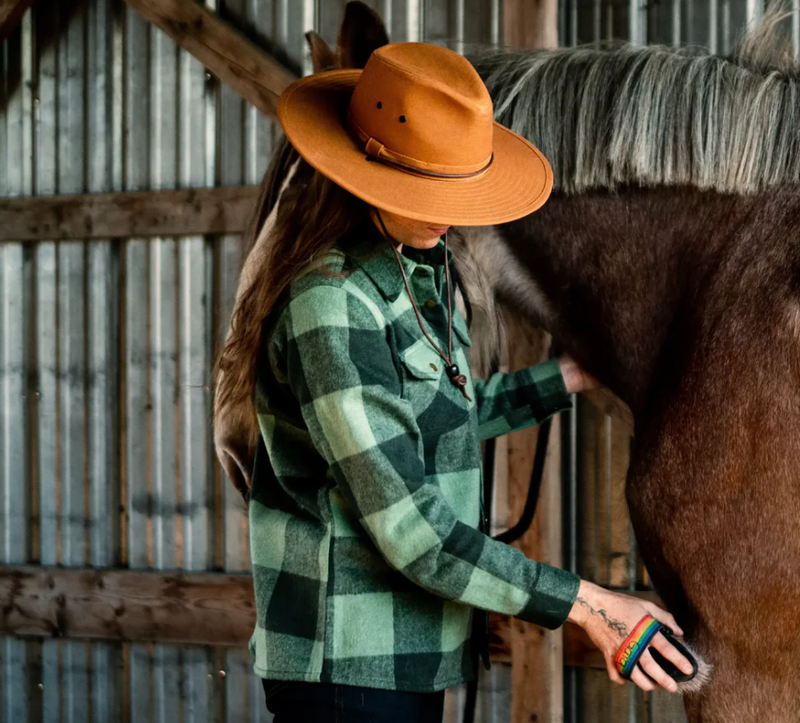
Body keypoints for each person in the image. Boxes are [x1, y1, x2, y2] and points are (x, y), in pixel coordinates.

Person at [215, 41, 694, 722]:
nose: (452, 211)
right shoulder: (331, 305)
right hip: (347, 664)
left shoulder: (421, 274)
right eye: (427, 191)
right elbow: (416, 533)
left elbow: (439, 421)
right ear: (365, 175)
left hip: (415, 650)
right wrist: (593, 605)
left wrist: (567, 376)